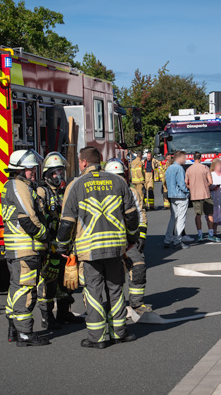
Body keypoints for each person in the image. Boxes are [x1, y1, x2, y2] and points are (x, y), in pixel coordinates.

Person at [56, 146, 140, 349]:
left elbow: (67, 221)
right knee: (116, 289)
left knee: (93, 292)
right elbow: (132, 215)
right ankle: (119, 332)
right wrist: (131, 238)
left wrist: (62, 246)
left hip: (89, 249)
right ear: (100, 161)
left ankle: (98, 338)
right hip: (115, 248)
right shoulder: (118, 181)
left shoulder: (75, 186)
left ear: (84, 162)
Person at [2, 149, 50, 347]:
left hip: (18, 249)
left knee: (16, 288)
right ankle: (25, 334)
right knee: (25, 289)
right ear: (20, 169)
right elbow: (29, 219)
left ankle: (14, 328)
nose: (33, 172)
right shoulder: (19, 186)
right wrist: (45, 236)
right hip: (25, 249)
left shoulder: (14, 185)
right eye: (30, 168)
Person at [35, 152, 85, 330]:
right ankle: (47, 318)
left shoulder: (65, 191)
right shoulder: (42, 192)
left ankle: (64, 313)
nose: (59, 176)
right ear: (47, 174)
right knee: (48, 282)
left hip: (66, 244)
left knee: (67, 280)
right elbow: (40, 218)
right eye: (55, 173)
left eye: (61, 172)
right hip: (50, 246)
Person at [105, 160, 151, 314]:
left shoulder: (132, 192)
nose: (119, 180)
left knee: (138, 267)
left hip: (128, 240)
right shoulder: (101, 194)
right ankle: (112, 305)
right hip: (109, 240)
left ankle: (137, 304)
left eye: (121, 176)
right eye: (115, 176)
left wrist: (141, 236)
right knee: (113, 275)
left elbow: (140, 214)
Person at [185, 152, 220, 243]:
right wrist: (205, 185)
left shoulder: (189, 169)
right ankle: (211, 234)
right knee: (209, 214)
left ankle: (200, 235)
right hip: (205, 194)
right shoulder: (205, 168)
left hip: (195, 195)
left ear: (193, 158)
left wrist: (192, 187)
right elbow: (211, 182)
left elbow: (186, 183)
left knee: (198, 215)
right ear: (200, 158)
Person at [164, 151, 190, 249]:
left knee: (173, 218)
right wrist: (187, 192)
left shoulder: (169, 168)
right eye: (184, 158)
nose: (185, 159)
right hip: (181, 196)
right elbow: (182, 184)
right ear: (180, 158)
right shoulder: (179, 168)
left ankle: (167, 240)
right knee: (181, 219)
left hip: (172, 196)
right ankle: (177, 241)